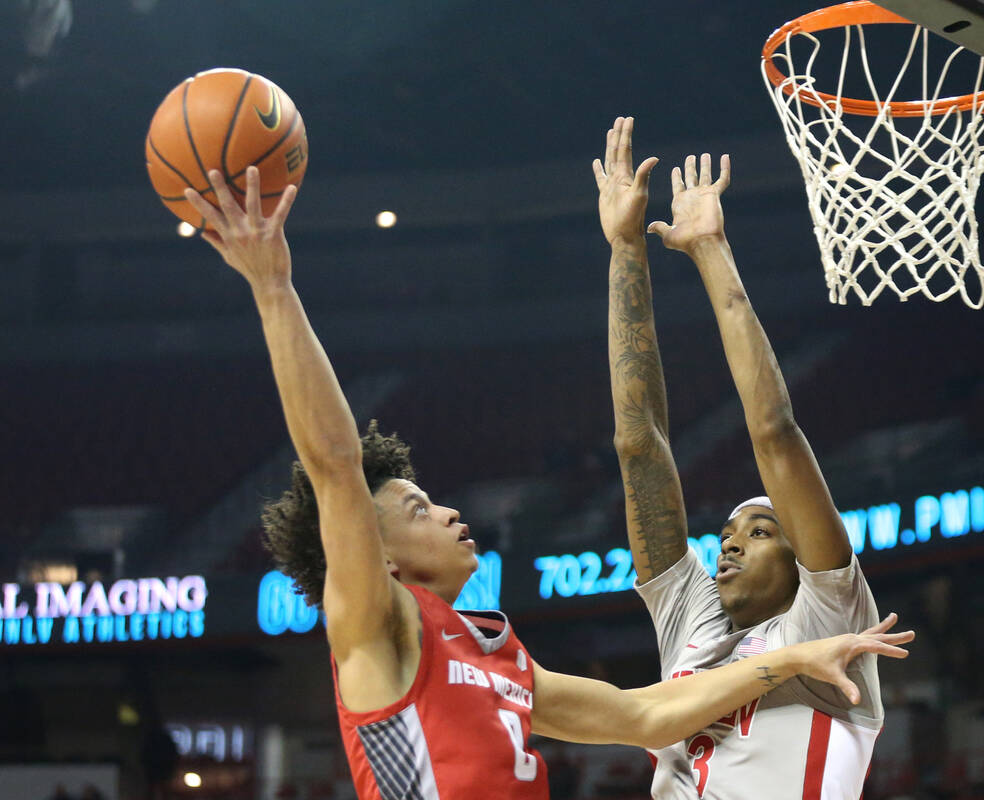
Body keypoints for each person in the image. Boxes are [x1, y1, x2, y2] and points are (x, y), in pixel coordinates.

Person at [184, 166, 912, 800]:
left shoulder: (502, 656)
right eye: (417, 506)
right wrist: (273, 286)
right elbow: (335, 462)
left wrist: (791, 658)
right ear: (374, 556)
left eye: (759, 531)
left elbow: (645, 718)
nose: (447, 509)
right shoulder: (380, 622)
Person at [596, 116, 893, 798]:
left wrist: (708, 250)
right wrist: (624, 251)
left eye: (760, 533)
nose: (728, 549)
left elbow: (774, 431)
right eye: (727, 536)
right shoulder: (695, 626)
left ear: (801, 556)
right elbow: (639, 447)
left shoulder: (829, 616)